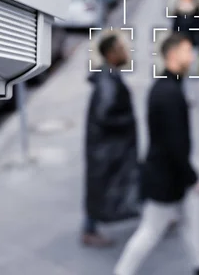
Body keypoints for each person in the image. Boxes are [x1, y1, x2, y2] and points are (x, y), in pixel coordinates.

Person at [114, 33, 199, 275]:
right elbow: (173, 144)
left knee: (190, 221)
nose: (192, 56)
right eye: (187, 51)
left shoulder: (169, 87)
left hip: (171, 174)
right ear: (173, 54)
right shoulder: (168, 93)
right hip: (165, 177)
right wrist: (192, 177)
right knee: (150, 231)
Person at [83, 32, 140, 247]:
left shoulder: (109, 76)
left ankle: (158, 215)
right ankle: (89, 230)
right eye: (121, 48)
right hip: (109, 150)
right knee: (101, 189)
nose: (125, 51)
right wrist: (129, 121)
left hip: (111, 148)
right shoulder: (108, 81)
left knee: (127, 181)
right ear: (110, 54)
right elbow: (104, 114)